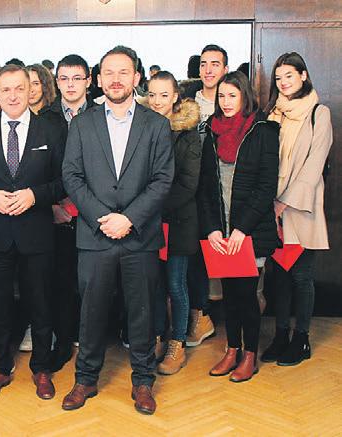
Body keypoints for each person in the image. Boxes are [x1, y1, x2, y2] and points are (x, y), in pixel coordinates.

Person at [61, 46, 174, 415]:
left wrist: (129, 219)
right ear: (99, 79)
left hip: (140, 235)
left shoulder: (156, 124)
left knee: (142, 312)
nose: (115, 79)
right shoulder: (82, 123)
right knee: (91, 312)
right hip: (95, 236)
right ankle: (85, 379)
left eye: (123, 72)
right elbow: (72, 176)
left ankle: (143, 381)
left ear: (136, 77)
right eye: (108, 72)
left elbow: (162, 180)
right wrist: (102, 217)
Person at [0, 64, 67, 400]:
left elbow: (66, 180)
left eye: (20, 88)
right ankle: (0, 368)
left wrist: (36, 195)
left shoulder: (52, 130)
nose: (13, 95)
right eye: (5, 89)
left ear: (30, 89)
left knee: (41, 302)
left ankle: (42, 368)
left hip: (37, 232)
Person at [199, 71, 279, 382]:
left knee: (247, 295)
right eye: (221, 96)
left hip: (249, 231)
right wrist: (213, 229)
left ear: (245, 97)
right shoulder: (211, 130)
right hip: (221, 232)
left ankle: (250, 355)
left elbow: (266, 187)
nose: (226, 101)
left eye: (232, 95)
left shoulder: (263, 130)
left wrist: (241, 230)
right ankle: (232, 350)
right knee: (229, 294)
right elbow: (205, 187)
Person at [261, 52, 333, 366]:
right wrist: (269, 203)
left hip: (300, 208)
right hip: (272, 208)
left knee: (302, 276)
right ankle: (281, 336)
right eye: (278, 78)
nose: (283, 82)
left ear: (303, 75)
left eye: (289, 75)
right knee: (279, 276)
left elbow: (314, 165)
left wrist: (284, 202)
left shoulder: (319, 113)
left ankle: (301, 339)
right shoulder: (272, 114)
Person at [39, 53, 99, 370]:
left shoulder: (102, 115)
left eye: (77, 78)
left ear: (88, 81)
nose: (71, 85)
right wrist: (50, 205)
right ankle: (63, 343)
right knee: (60, 283)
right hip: (57, 214)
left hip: (94, 213)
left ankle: (91, 344)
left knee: (92, 284)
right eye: (64, 79)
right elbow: (37, 168)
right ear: (57, 82)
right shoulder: (44, 118)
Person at [146, 71, 202, 375]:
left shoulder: (188, 133)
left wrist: (149, 204)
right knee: (153, 284)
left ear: (176, 97)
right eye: (152, 94)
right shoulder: (141, 126)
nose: (157, 101)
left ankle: (177, 343)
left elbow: (188, 185)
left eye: (164, 95)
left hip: (177, 221)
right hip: (148, 222)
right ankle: (157, 336)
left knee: (176, 284)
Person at [186, 44, 230, 348]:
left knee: (223, 252)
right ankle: (199, 316)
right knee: (194, 255)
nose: (208, 69)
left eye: (215, 64)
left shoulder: (230, 99)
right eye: (203, 64)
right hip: (190, 188)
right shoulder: (188, 101)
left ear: (225, 69)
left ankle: (232, 325)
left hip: (220, 188)